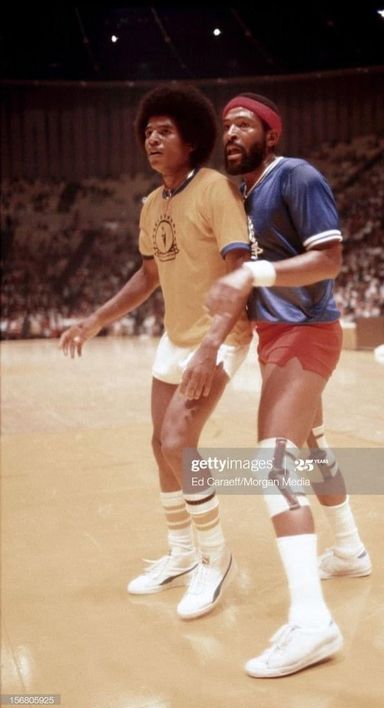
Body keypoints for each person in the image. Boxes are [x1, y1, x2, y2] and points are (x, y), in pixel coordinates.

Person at [60, 85, 252, 620]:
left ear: (190, 140)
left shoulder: (216, 190)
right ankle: (184, 554)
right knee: (157, 443)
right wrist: (96, 318)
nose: (152, 138)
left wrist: (211, 347)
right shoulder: (152, 203)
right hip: (176, 337)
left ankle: (216, 558)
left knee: (177, 440)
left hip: (220, 336)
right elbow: (149, 275)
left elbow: (241, 274)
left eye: (164, 130)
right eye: (148, 131)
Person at [206, 93, 370, 677]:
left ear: (270, 135)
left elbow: (329, 260)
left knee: (271, 463)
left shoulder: (295, 175)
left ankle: (312, 622)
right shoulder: (241, 195)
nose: (231, 132)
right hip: (277, 335)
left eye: (244, 124)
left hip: (307, 333)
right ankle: (349, 549)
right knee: (312, 446)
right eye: (225, 125)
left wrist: (256, 271)